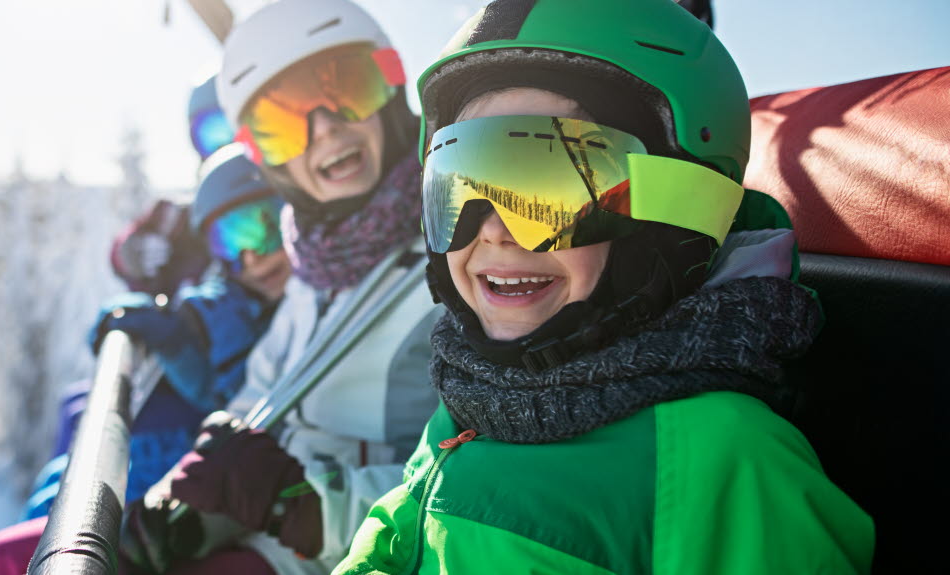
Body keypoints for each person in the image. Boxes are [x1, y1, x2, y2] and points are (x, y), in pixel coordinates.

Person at [333, 0, 875, 573]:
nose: (492, 230)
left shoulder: (724, 457)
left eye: (547, 189)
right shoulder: (473, 398)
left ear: (673, 217)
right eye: (458, 186)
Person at [118, 1, 442, 574]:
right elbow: (257, 399)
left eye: (348, 88)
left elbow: (481, 469)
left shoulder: (455, 256)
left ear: (390, 89)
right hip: (270, 537)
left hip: (349, 552)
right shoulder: (312, 269)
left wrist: (308, 505)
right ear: (265, 157)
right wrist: (209, 484)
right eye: (283, 123)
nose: (325, 129)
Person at [0, 148, 292, 575]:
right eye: (231, 241)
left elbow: (237, 396)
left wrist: (175, 343)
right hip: (168, 479)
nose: (252, 255)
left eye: (267, 229)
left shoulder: (293, 309)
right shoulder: (225, 292)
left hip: (195, 490)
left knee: (1, 559)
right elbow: (137, 246)